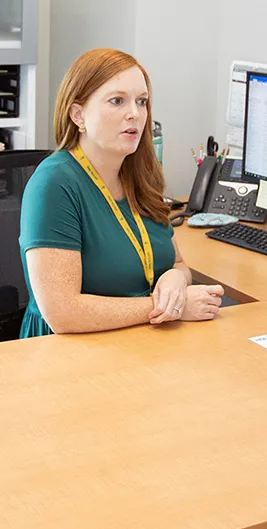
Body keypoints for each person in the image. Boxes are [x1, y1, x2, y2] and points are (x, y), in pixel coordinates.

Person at [18, 48, 223, 338]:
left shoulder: (139, 174)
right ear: (78, 115)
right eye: (117, 101)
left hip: (138, 341)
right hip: (66, 355)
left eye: (142, 102)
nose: (135, 114)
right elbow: (63, 313)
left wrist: (176, 279)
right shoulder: (53, 183)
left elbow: (175, 262)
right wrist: (164, 307)